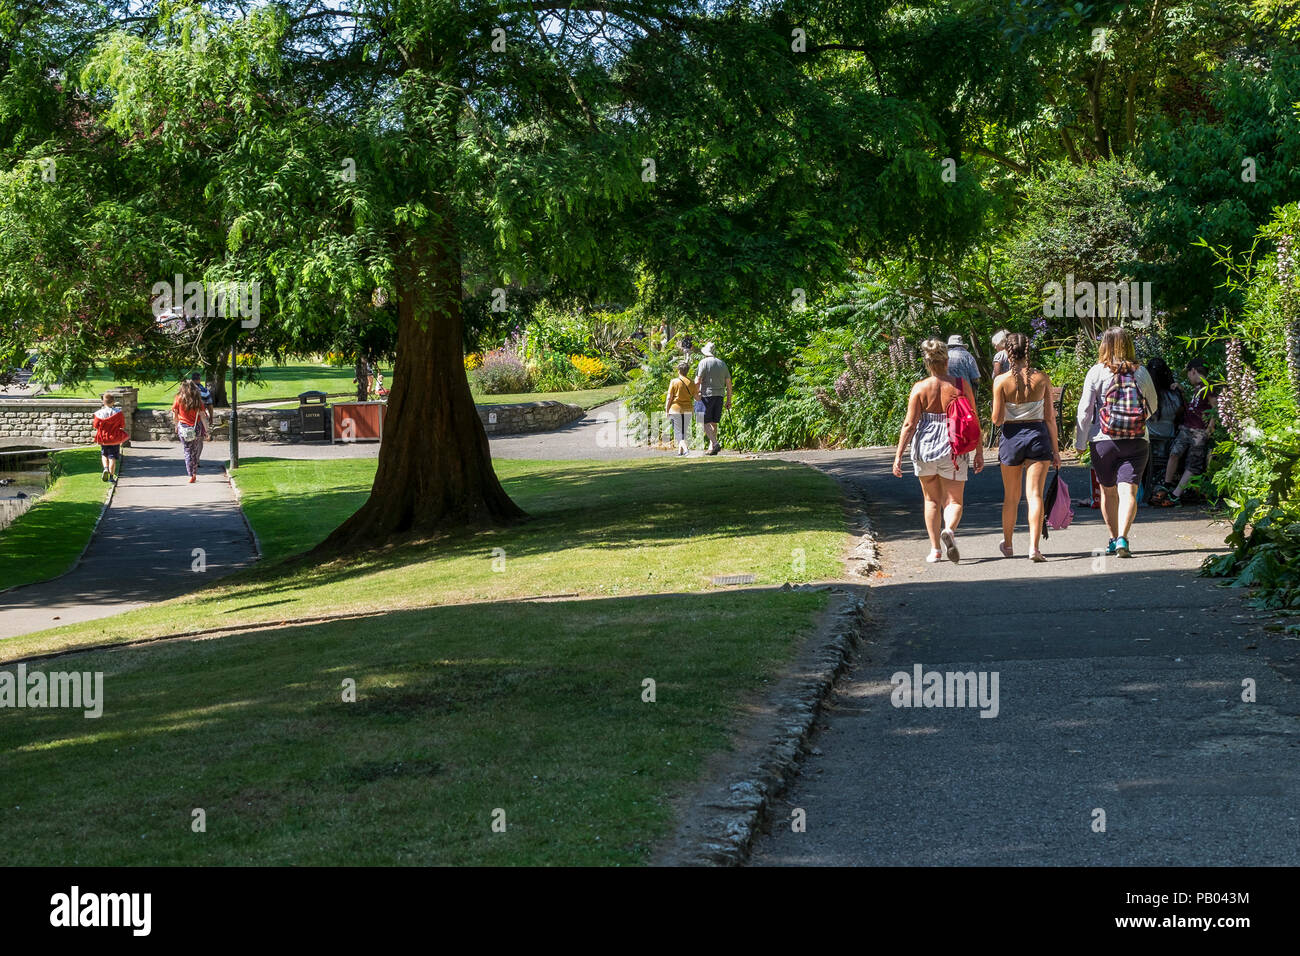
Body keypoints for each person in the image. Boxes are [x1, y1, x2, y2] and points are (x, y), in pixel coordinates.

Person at [892, 338, 985, 564]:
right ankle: (950, 530)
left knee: (931, 500)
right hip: (953, 447)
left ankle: (935, 550)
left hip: (925, 448)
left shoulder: (920, 388)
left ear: (927, 362)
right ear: (946, 361)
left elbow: (909, 425)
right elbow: (973, 419)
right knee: (954, 501)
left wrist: (898, 456)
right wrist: (979, 452)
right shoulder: (961, 385)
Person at [1075, 326, 1158, 558]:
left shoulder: (1096, 372)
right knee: (1128, 492)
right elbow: (1153, 405)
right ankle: (1123, 537)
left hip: (1103, 440)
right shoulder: (1141, 372)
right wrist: (1135, 420)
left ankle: (1112, 539)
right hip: (1137, 440)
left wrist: (1080, 441)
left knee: (1108, 492)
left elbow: (1084, 411)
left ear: (1104, 345)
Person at [991, 333, 1061, 562]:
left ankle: (1009, 544)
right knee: (1035, 495)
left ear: (1007, 352)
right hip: (1038, 436)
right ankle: (1033, 547)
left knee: (1011, 497)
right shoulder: (1042, 378)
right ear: (1028, 350)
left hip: (1012, 437)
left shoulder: (1001, 381)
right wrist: (1056, 451)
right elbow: (1050, 418)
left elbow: (996, 419)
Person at [1152, 360, 1217, 507]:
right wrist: (1182, 391)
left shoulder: (1208, 387)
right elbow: (1195, 406)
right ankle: (1167, 485)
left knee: (1193, 464)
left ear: (1193, 371)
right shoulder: (1197, 388)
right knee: (1174, 453)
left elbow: (1215, 407)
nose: (1188, 377)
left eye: (1188, 373)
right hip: (1186, 428)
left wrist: (1210, 429)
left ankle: (1176, 494)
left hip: (1199, 431)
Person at [1142, 357, 1184, 503]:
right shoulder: (1175, 395)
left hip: (1148, 444)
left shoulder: (1146, 396)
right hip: (1169, 442)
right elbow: (1181, 417)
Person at [694, 342, 732, 456]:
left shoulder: (703, 363)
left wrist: (696, 394)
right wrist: (729, 400)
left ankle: (715, 443)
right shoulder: (722, 364)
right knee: (714, 422)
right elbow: (729, 384)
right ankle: (712, 447)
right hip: (719, 395)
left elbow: (697, 381)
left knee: (703, 420)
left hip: (706, 395)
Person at [171, 379, 208, 484]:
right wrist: (207, 431)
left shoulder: (178, 399)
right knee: (195, 451)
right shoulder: (198, 400)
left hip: (183, 428)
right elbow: (203, 416)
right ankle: (195, 473)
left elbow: (175, 415)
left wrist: (176, 425)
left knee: (187, 451)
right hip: (196, 428)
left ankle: (190, 474)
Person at [91, 392, 129, 484]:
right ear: (113, 402)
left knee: (104, 455)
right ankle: (111, 477)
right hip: (114, 438)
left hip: (104, 438)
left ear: (104, 402)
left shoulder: (99, 414)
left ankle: (105, 468)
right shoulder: (118, 413)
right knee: (112, 458)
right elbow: (122, 425)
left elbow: (95, 425)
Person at [664, 361, 699, 456]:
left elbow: (669, 398)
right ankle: (680, 452)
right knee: (683, 431)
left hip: (675, 409)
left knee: (678, 432)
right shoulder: (691, 382)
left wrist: (667, 410)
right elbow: (697, 397)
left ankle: (686, 449)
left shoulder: (674, 382)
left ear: (679, 370)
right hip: (688, 409)